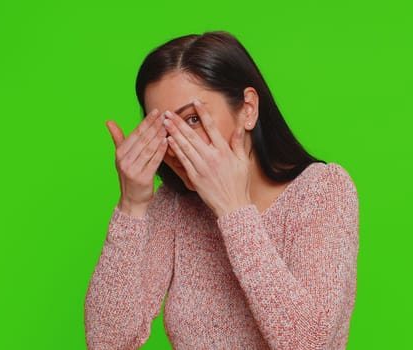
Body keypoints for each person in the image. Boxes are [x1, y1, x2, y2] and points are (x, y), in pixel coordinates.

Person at [84, 31, 359, 350]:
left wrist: (233, 210)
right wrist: (131, 205)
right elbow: (106, 342)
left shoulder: (323, 190)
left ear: (248, 109)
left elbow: (309, 343)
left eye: (191, 120)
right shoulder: (175, 207)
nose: (177, 146)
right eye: (162, 129)